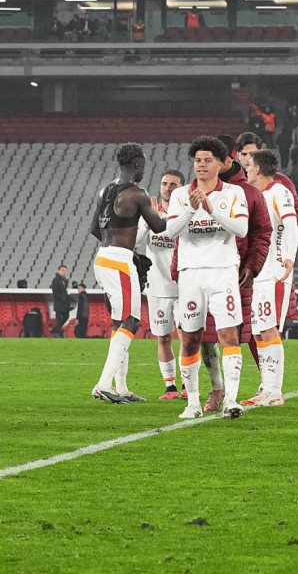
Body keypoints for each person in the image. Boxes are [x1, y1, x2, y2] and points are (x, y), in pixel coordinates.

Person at [163, 136, 250, 419]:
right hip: (190, 274)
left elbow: (241, 229)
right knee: (190, 338)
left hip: (223, 272)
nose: (201, 165)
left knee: (228, 335)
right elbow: (170, 232)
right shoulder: (180, 195)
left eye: (207, 160)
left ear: (220, 164)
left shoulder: (234, 193)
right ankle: (192, 404)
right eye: (197, 160)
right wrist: (191, 209)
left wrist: (212, 211)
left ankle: (231, 400)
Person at [88, 142, 167, 403]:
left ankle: (121, 388)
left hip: (103, 258)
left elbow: (94, 229)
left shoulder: (104, 190)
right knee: (131, 322)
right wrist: (184, 213)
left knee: (119, 322)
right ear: (137, 163)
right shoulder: (138, 193)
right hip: (119, 263)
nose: (144, 170)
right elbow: (158, 226)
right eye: (143, 165)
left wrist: (121, 247)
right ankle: (103, 384)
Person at [237, 150, 298, 407]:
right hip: (260, 275)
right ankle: (266, 387)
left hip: (275, 272)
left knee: (268, 329)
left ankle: (274, 391)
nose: (245, 169)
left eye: (249, 165)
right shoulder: (259, 196)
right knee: (259, 332)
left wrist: (289, 257)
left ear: (258, 169)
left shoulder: (279, 191)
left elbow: (291, 224)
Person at [136, 169, 185, 399]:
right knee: (163, 338)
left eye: (173, 184)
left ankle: (187, 385)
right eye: (165, 184)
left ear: (182, 188)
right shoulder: (148, 213)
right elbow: (135, 242)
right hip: (157, 287)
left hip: (184, 288)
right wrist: (149, 223)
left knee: (186, 338)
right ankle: (170, 387)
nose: (168, 188)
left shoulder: (186, 214)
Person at [50, 265, 71, 338]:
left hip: (65, 303)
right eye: (62, 270)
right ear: (58, 271)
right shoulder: (55, 280)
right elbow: (56, 292)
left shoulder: (64, 280)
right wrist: (63, 299)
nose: (64, 272)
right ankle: (58, 333)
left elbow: (66, 292)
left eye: (65, 270)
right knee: (59, 319)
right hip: (59, 303)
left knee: (66, 316)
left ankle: (55, 329)